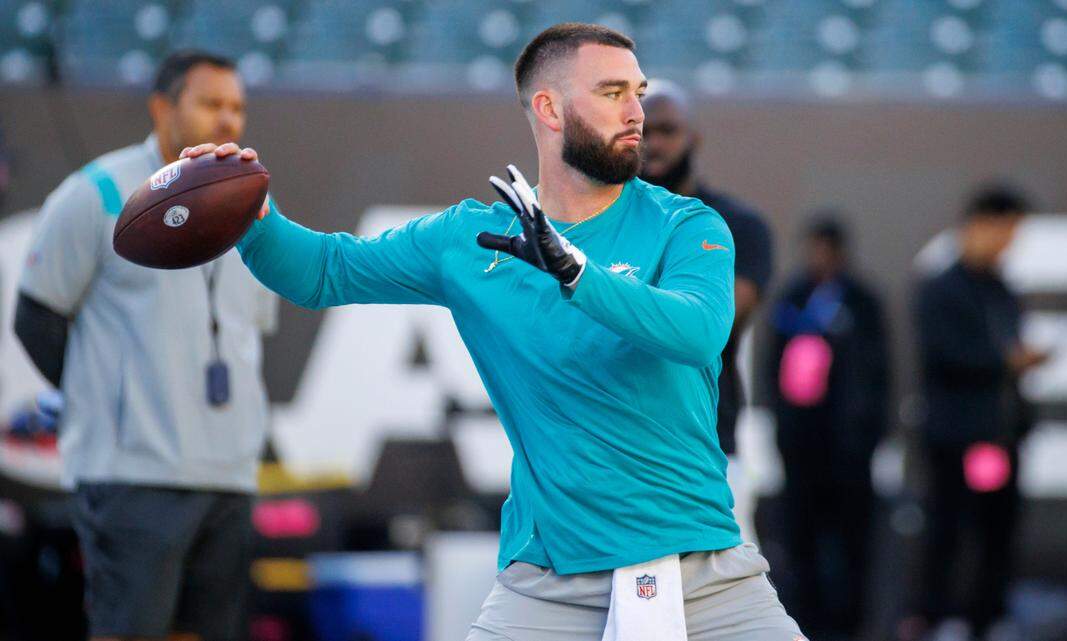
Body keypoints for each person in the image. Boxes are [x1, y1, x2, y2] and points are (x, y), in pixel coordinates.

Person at [185, 23, 804, 641]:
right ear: (549, 107)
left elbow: (698, 332)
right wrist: (249, 212)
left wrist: (575, 271)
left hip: (707, 575)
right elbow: (322, 273)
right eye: (614, 92)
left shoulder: (687, 223)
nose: (637, 111)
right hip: (550, 581)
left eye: (638, 92)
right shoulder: (470, 240)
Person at [13, 51, 278, 641]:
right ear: (163, 107)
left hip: (229, 472)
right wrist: (105, 402)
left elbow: (250, 334)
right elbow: (37, 316)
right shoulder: (97, 193)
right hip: (134, 471)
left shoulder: (255, 205)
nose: (229, 120)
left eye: (237, 106)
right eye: (211, 104)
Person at [638, 80, 774, 543]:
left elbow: (710, 324)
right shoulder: (609, 222)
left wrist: (612, 296)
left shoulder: (740, 225)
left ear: (693, 137)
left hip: (709, 440)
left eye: (666, 130)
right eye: (642, 130)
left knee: (728, 601)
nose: (653, 143)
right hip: (627, 444)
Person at [911, 186, 1046, 640]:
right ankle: (938, 617)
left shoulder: (1002, 288)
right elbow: (945, 356)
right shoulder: (942, 289)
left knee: (996, 532)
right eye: (1007, 231)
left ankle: (986, 618)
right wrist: (1005, 362)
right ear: (982, 224)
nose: (1010, 243)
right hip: (960, 437)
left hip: (999, 436)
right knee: (951, 529)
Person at [763, 215, 890, 640]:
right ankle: (804, 621)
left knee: (853, 540)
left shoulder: (862, 302)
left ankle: (850, 624)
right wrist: (780, 426)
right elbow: (771, 364)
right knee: (800, 539)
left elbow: (877, 373)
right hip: (801, 444)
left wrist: (868, 434)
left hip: (849, 447)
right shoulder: (793, 298)